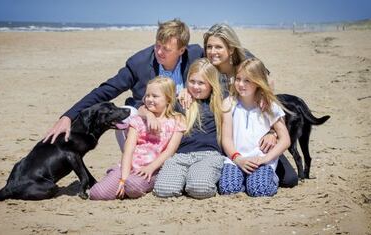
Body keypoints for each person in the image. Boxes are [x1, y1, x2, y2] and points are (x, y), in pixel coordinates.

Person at [43, 19, 202, 148]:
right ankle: (133, 160)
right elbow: (106, 90)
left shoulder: (196, 55)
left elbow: (219, 73)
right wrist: (68, 116)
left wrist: (190, 89)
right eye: (157, 45)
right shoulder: (138, 63)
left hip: (186, 123)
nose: (159, 52)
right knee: (126, 114)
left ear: (181, 50)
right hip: (152, 123)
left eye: (166, 49)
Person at [202, 23, 298, 188]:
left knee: (289, 179)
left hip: (258, 141)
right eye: (209, 47)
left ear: (230, 49)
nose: (212, 52)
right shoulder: (207, 72)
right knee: (229, 184)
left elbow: (268, 95)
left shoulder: (245, 69)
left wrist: (272, 132)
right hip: (231, 140)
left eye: (218, 47)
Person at [89, 77, 186, 200]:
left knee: (133, 186)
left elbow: (169, 151)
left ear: (168, 99)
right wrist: (123, 178)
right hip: (129, 166)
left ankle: (140, 183)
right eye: (147, 95)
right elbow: (128, 150)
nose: (149, 99)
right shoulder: (138, 120)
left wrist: (151, 168)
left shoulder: (177, 120)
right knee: (97, 193)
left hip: (153, 169)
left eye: (155, 96)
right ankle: (117, 179)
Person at [153, 58, 225, 199]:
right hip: (180, 156)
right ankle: (186, 179)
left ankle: (196, 178)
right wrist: (149, 116)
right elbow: (147, 106)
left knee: (200, 189)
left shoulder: (218, 102)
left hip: (208, 155)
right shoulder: (180, 101)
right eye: (192, 82)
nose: (196, 87)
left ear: (211, 84)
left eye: (201, 83)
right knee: (163, 191)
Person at [218, 58, 290, 197]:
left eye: (247, 80)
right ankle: (245, 180)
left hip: (260, 161)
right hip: (235, 160)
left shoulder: (269, 106)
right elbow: (226, 139)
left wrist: (265, 159)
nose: (241, 84)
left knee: (259, 190)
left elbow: (285, 139)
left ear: (258, 81)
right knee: (228, 189)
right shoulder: (228, 104)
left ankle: (270, 179)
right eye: (238, 79)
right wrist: (237, 158)